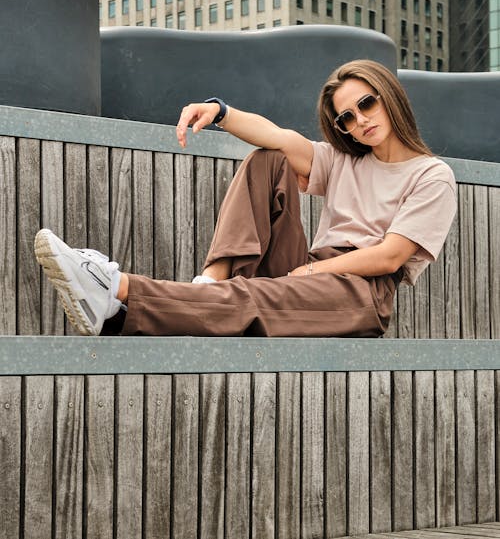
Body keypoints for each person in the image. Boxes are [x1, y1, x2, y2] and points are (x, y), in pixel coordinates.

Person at [35, 59, 456, 338]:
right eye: (347, 116)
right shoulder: (346, 160)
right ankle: (209, 282)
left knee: (258, 296)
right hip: (313, 269)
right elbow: (278, 138)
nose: (359, 120)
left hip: (360, 294)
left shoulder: (432, 175)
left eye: (366, 104)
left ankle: (116, 290)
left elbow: (390, 256)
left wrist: (312, 273)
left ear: (390, 96)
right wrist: (220, 112)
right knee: (268, 158)